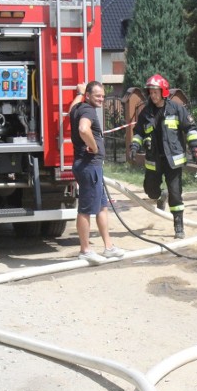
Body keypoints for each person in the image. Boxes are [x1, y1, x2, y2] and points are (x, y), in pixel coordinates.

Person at [129, 74, 197, 239]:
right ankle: (160, 196)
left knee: (175, 194)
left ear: (163, 91)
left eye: (156, 92)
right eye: (150, 92)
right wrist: (135, 145)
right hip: (153, 160)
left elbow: (190, 128)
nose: (152, 95)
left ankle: (178, 225)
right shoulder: (146, 112)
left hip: (173, 160)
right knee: (150, 191)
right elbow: (139, 132)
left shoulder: (176, 109)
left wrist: (195, 148)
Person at [69, 81, 125, 264]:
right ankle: (85, 250)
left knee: (102, 206)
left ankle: (108, 247)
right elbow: (83, 129)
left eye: (102, 95)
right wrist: (93, 147)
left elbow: (71, 108)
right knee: (85, 209)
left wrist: (78, 92)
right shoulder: (88, 110)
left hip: (90, 166)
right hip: (89, 166)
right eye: (97, 96)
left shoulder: (77, 107)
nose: (101, 99)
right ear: (88, 96)